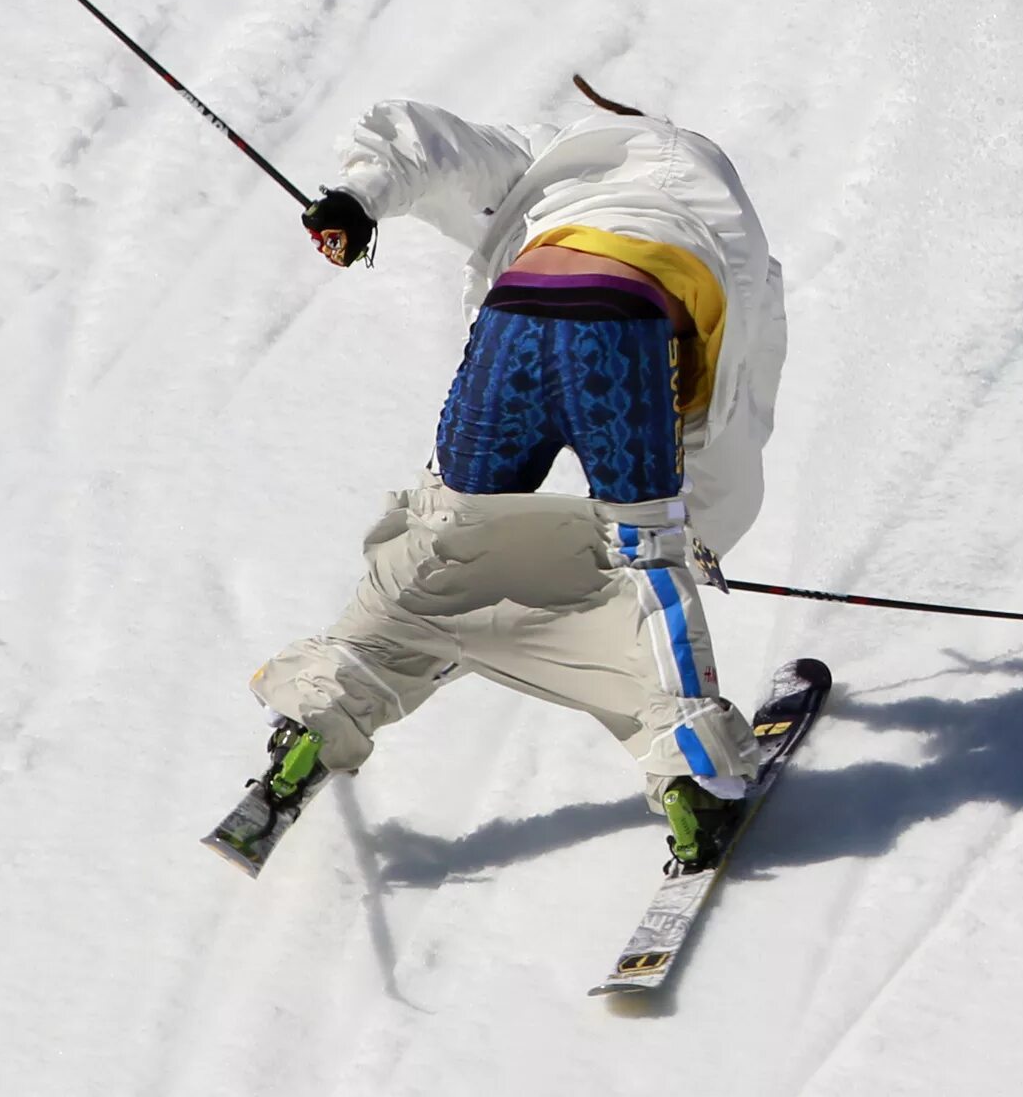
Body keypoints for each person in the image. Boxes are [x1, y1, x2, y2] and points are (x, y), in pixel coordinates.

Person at [245, 78, 788, 871]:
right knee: (647, 561)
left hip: (517, 327)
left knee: (441, 538)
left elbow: (434, 146)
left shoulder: (563, 157)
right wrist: (697, 535)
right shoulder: (737, 230)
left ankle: (321, 717)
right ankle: (696, 783)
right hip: (627, 332)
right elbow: (739, 401)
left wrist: (356, 200)